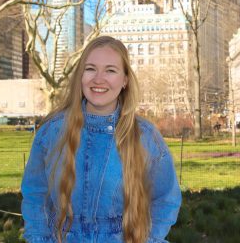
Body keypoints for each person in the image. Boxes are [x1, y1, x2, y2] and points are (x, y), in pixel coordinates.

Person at [21, 36, 182, 243]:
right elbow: (35, 195)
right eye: (90, 69)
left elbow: (166, 199)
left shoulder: (146, 137)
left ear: (124, 80)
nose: (98, 79)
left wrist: (149, 239)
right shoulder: (51, 133)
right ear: (80, 76)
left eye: (110, 70)